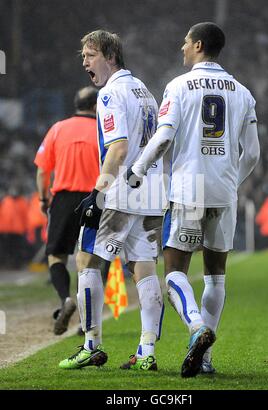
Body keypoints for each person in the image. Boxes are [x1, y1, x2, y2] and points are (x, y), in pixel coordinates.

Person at [128, 22, 260, 377]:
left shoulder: (179, 85)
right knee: (216, 276)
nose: (181, 47)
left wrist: (137, 170)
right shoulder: (243, 92)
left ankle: (197, 327)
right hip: (224, 191)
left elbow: (163, 137)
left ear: (198, 45)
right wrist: (232, 181)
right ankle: (204, 359)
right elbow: (252, 155)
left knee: (173, 272)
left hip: (189, 188)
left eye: (185, 42)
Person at [58, 30, 164, 370]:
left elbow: (117, 148)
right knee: (144, 269)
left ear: (110, 56)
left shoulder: (109, 94)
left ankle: (91, 345)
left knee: (86, 260)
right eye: (84, 56)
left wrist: (98, 194)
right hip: (150, 192)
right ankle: (147, 352)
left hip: (119, 193)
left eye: (90, 55)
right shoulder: (145, 91)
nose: (85, 62)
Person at [34, 86, 101, 335]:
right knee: (89, 263)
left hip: (63, 198)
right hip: (94, 199)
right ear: (96, 107)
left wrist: (43, 198)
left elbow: (42, 170)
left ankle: (65, 300)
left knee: (56, 256)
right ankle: (87, 322)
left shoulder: (58, 128)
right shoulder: (102, 130)